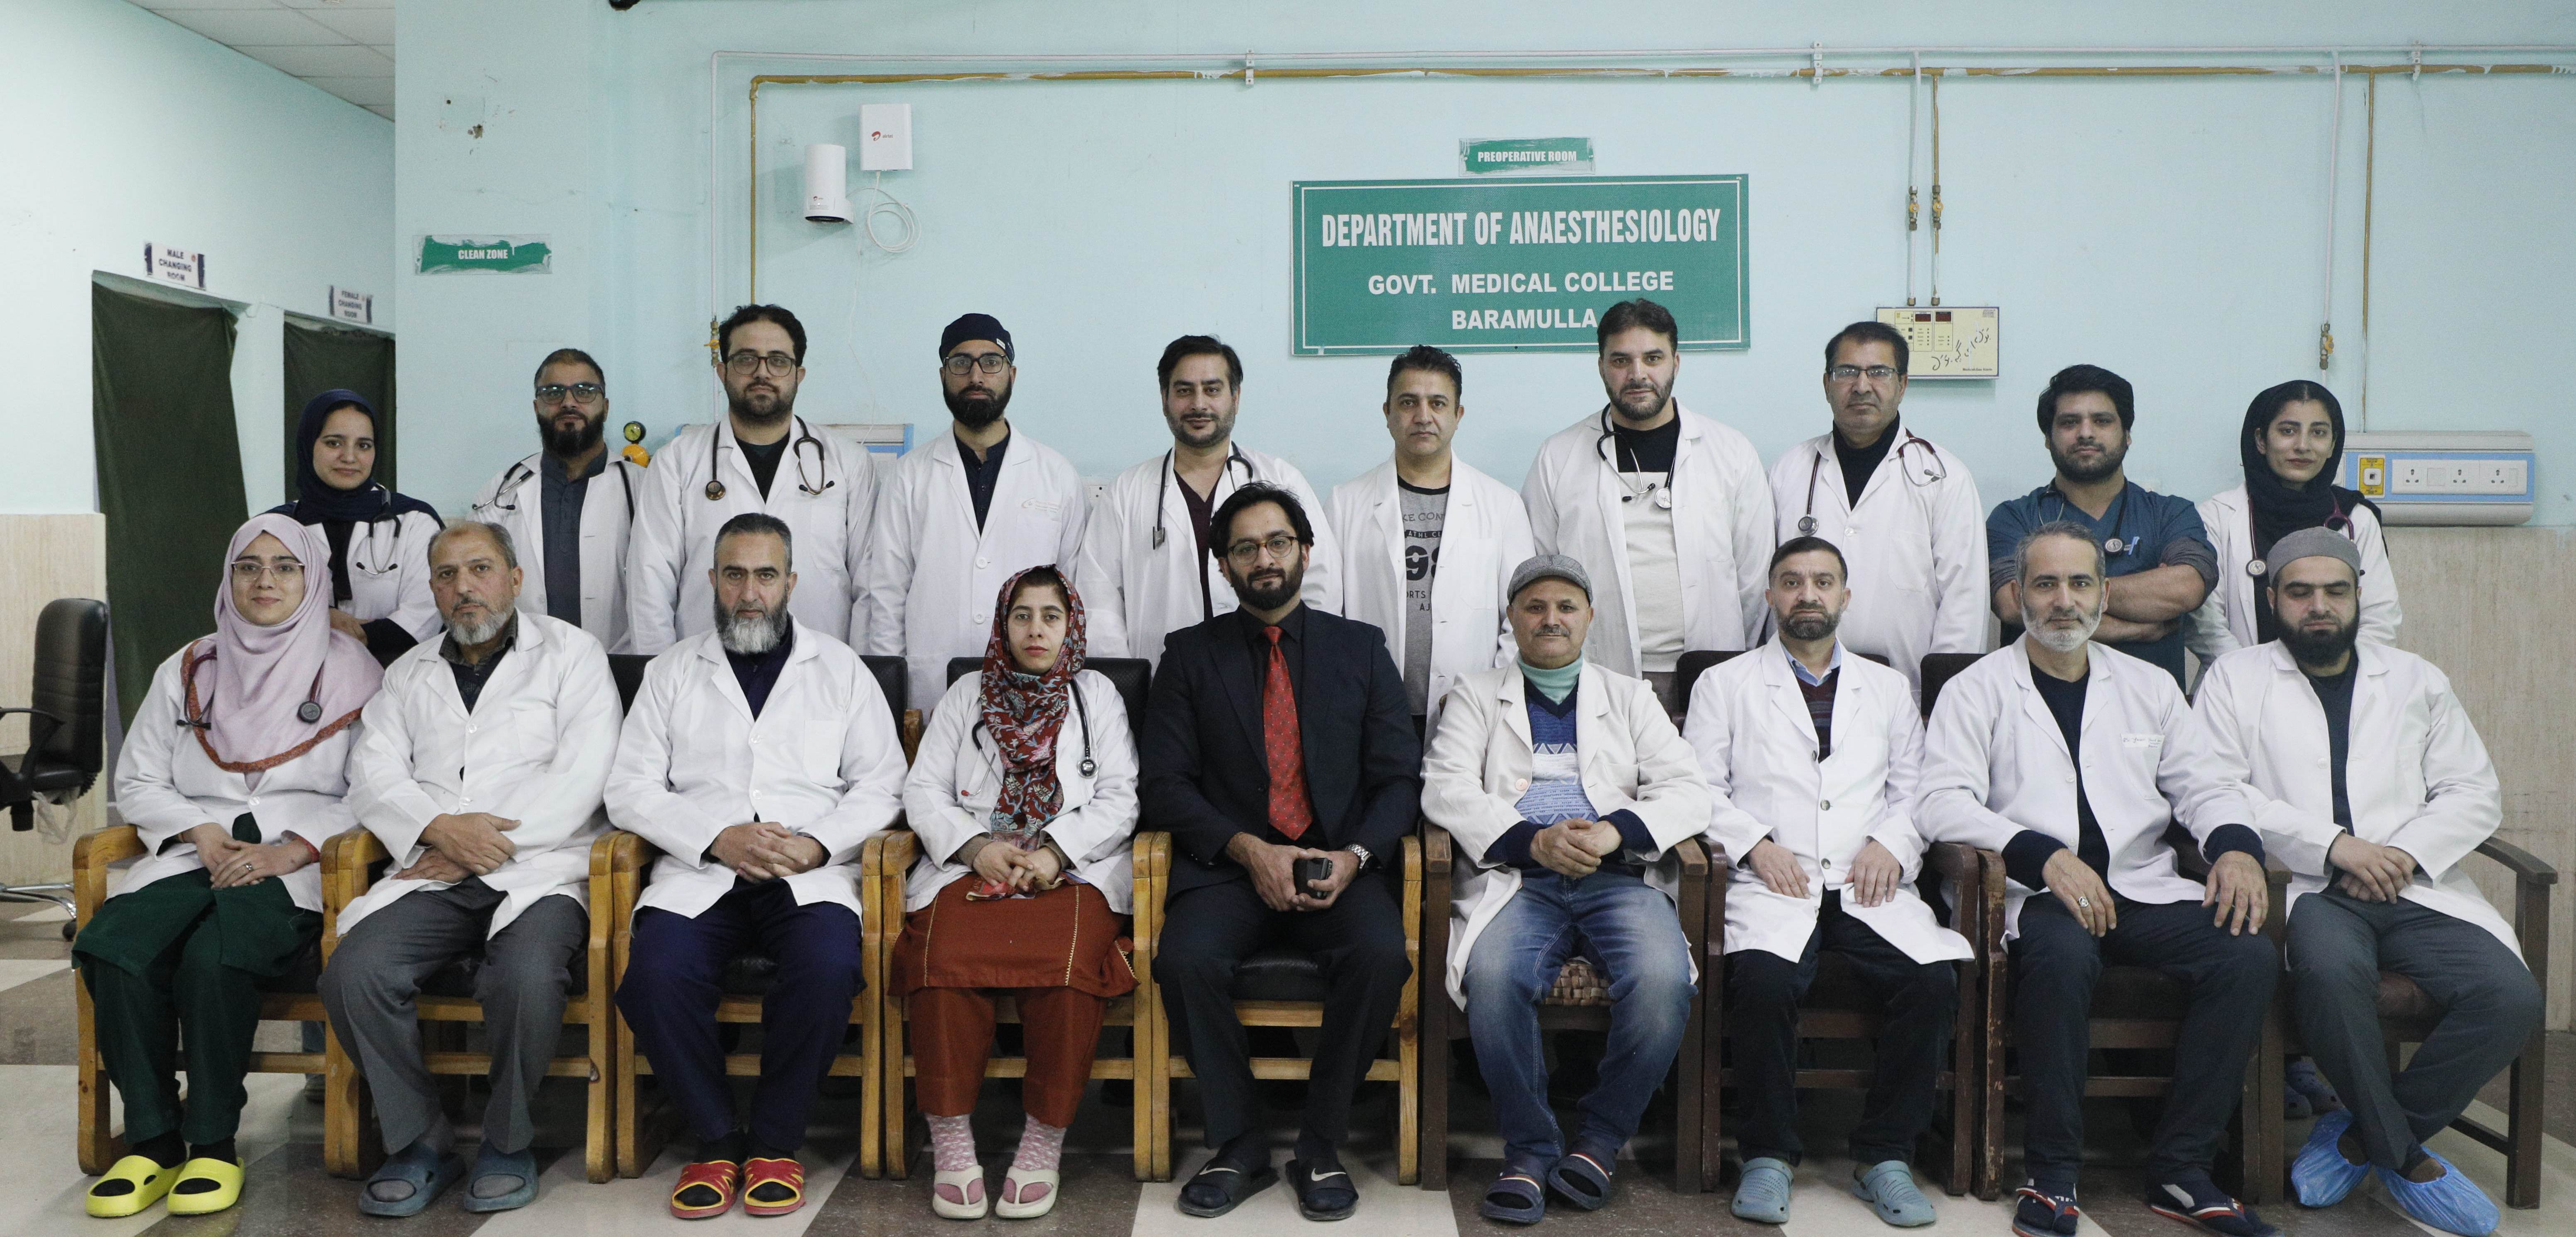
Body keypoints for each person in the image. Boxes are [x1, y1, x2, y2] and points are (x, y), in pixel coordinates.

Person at [1918, 521, 2278, 1237]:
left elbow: (2203, 785)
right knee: (2060, 957)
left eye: (2079, 583)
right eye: (2045, 584)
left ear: (2104, 594)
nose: (2063, 600)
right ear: (2018, 597)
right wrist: (2040, 854)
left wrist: (2237, 848)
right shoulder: (1975, 689)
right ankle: (2052, 1175)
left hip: (2141, 887)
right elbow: (1940, 801)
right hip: (2038, 896)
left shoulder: (2149, 687)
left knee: (2246, 953)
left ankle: (2181, 1167)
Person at [2193, 529, 2535, 1237]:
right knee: (2327, 976)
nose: (2318, 605)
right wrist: (2334, 846)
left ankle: (2356, 1140)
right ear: (2273, 599)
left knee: (2511, 997)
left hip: (2412, 885)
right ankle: (2406, 1158)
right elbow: (2214, 787)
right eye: (2299, 592)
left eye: (2334, 591)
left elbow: (2472, 790)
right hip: (2309, 886)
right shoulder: (2234, 678)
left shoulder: (2415, 679)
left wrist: (2404, 853)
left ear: (2357, 597)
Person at [75, 513, 381, 1219]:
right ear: (229, 578)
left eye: (285, 567)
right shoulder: (189, 667)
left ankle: (212, 1143)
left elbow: (373, 790)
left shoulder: (354, 673)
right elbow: (139, 777)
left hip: (294, 863)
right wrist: (198, 827)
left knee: (215, 958)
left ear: (312, 580)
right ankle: (153, 1141)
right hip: (192, 851)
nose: (265, 581)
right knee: (114, 949)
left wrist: (293, 848)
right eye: (249, 566)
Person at [607, 513, 905, 1220]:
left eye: (766, 575)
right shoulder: (671, 671)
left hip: (808, 871)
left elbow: (883, 784)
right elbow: (629, 787)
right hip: (701, 870)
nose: (750, 592)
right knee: (653, 975)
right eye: (735, 574)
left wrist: (816, 844)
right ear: (712, 580)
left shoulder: (840, 669)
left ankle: (774, 1142)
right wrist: (717, 837)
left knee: (829, 966)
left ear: (791, 582)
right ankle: (714, 1140)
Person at [324, 521, 620, 1217]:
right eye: (447, 574)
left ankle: (507, 1141)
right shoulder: (407, 673)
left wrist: (479, 842)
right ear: (432, 589)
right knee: (354, 971)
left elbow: (585, 773)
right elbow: (372, 773)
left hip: (541, 867)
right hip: (433, 866)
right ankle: (420, 1142)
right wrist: (438, 830)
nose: (465, 586)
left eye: (480, 569)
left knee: (525, 975)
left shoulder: (572, 655)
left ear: (515, 579)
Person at [1140, 483, 1416, 1222]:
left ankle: (1321, 1144)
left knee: (1381, 955)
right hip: (1230, 870)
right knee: (1184, 959)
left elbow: (1398, 778)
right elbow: (1163, 784)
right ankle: (1238, 1143)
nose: (1264, 558)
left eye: (1277, 542)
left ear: (1305, 550)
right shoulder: (1189, 655)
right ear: (1224, 566)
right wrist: (1247, 850)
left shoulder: (1360, 649)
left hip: (1336, 866)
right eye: (1245, 548)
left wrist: (1355, 856)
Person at [1687, 537, 1970, 1227]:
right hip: (1772, 881)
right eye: (1791, 581)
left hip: (1865, 880)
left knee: (1930, 981)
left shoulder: (1887, 686)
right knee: (1762, 981)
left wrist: (1891, 844)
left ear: (1845, 595)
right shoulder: (1723, 684)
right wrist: (1755, 845)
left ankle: (1885, 1155)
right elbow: (1696, 787)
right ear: (1770, 596)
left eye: (1822, 581)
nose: (1806, 594)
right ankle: (1767, 1155)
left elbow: (1915, 787)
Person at [1420, 554, 1708, 1225]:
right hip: (1518, 879)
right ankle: (1528, 1149)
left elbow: (1689, 790)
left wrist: (1613, 833)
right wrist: (1532, 840)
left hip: (1617, 878)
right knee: (1495, 978)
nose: (1551, 618)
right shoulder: (1475, 694)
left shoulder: (1630, 696)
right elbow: (1445, 787)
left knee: (1663, 981)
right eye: (1535, 606)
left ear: (1589, 617)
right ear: (1512, 617)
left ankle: (1599, 1142)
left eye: (1566, 606)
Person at [895, 566, 1139, 1220]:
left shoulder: (1096, 696)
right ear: (1003, 626)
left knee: (1069, 970)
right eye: (1022, 616)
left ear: (1071, 627)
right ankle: (951, 1143)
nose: (1036, 630)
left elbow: (1120, 797)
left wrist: (1055, 852)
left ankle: (1041, 1144)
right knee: (939, 960)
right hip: (973, 869)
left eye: (1051, 617)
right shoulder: (966, 694)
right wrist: (977, 849)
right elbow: (923, 791)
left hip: (1070, 871)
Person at [1522, 298, 1772, 700]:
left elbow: (1754, 578)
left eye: (1652, 358)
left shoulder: (1731, 452)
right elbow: (1538, 570)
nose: (1637, 374)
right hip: (1597, 668)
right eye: (1621, 361)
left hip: (1711, 670)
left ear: (1676, 363)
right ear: (1601, 366)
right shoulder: (1558, 456)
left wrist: (1730, 652)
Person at [858, 313, 1088, 713]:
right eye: (961, 363)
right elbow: (886, 595)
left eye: (991, 362)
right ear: (943, 375)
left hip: (1034, 691)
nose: (976, 376)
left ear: (1012, 374)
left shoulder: (1057, 475)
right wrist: (889, 695)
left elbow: (1075, 596)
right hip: (929, 687)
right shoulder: (908, 476)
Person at [625, 304, 878, 653]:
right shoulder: (676, 463)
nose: (762, 372)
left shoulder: (849, 463)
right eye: (746, 360)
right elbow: (649, 583)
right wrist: (661, 671)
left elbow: (870, 583)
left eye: (778, 361)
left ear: (799, 374)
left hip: (822, 668)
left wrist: (862, 670)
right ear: (722, 372)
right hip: (704, 668)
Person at [1075, 335, 1339, 667]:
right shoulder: (1125, 493)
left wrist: (1293, 670)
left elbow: (1320, 585)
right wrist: (1126, 684)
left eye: (1212, 390)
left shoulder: (1281, 480)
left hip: (1272, 679)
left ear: (1235, 398)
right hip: (1159, 680)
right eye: (1184, 391)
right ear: (1164, 399)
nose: (1198, 404)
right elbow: (1098, 603)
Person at [1767, 322, 1987, 696]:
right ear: (1826, 384)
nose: (1862, 386)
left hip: (1909, 691)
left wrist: (1945, 696)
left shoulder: (1943, 477)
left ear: (1902, 385)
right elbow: (1768, 587)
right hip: (1796, 686)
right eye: (1847, 372)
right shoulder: (1788, 471)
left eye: (1879, 372)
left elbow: (1964, 601)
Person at [1330, 344, 1533, 735]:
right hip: (1367, 709)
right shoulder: (1345, 504)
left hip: (1472, 712)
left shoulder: (1502, 505)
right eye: (1408, 403)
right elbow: (1326, 618)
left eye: (1437, 403)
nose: (1423, 416)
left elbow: (1521, 618)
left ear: (1458, 415)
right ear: (1387, 413)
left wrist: (1488, 695)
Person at [1986, 365, 2215, 688]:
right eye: (2069, 422)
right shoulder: (2015, 518)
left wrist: (2050, 596)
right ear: (2048, 439)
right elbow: (2012, 605)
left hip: (2149, 703)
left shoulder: (2170, 514)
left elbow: (2186, 589)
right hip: (2033, 699)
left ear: (2127, 434)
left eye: (2102, 421)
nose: (2085, 433)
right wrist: (2134, 628)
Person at [2186, 381, 2402, 665]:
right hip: (2240, 683)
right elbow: (2206, 624)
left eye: (2318, 433)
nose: (2303, 446)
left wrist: (2335, 677)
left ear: (2333, 444)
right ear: (2261, 440)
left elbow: (2379, 621)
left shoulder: (2356, 518)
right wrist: (2249, 679)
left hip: (2336, 683)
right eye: (2288, 431)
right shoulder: (2217, 516)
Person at [468, 347, 644, 653]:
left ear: (605, 407)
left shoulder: (643, 487)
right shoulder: (500, 492)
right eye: (553, 393)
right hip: (525, 664)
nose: (568, 402)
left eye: (585, 391)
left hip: (623, 659)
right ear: (537, 407)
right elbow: (477, 584)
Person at [272, 389, 443, 666]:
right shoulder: (276, 527)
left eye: (363, 445)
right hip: (295, 674)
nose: (350, 457)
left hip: (395, 675)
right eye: (334, 443)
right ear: (308, 444)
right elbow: (260, 614)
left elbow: (425, 616)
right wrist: (324, 617)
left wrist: (325, 627)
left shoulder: (415, 520)